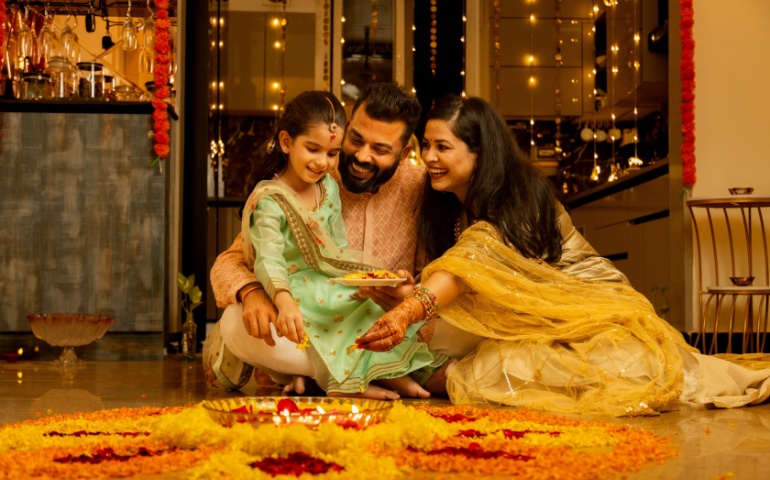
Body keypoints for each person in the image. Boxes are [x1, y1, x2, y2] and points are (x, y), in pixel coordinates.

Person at [356, 94, 770, 416]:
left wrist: (412, 308)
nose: (428, 158)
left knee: (561, 369)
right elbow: (459, 279)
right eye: (425, 145)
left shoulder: (519, 197)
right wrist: (409, 296)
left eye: (442, 147)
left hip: (585, 309)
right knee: (443, 339)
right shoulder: (444, 204)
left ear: (479, 153)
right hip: (515, 316)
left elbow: (473, 262)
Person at [204, 83, 434, 395]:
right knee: (235, 322)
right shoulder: (311, 177)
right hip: (305, 317)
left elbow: (433, 279)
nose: (362, 157)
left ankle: (316, 378)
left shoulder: (420, 188)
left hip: (369, 320)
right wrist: (253, 292)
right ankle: (356, 377)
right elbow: (230, 261)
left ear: (404, 152)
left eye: (380, 150)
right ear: (346, 128)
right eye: (356, 140)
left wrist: (407, 296)